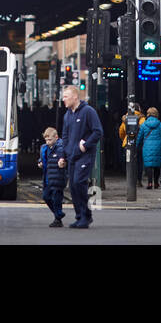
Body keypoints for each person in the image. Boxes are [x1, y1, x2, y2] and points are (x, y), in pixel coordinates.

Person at [56, 84, 103, 228]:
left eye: (66, 96)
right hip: (71, 156)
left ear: (75, 97)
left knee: (79, 183)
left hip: (85, 155)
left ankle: (85, 216)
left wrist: (85, 145)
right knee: (73, 187)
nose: (63, 99)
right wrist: (63, 156)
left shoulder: (88, 111)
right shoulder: (67, 115)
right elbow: (65, 137)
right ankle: (81, 216)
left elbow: (97, 132)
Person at [39, 127, 67, 226]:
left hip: (58, 178)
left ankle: (57, 219)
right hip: (48, 178)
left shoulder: (61, 147)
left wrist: (62, 161)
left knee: (56, 199)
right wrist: (40, 162)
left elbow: (64, 157)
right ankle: (58, 214)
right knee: (46, 197)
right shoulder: (44, 148)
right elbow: (41, 158)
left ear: (56, 137)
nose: (47, 142)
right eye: (46, 140)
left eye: (50, 140)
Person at [138, 107, 161, 189]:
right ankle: (156, 183)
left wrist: (136, 146)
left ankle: (150, 183)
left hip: (147, 147)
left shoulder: (144, 125)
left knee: (148, 165)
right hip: (158, 147)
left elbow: (139, 137)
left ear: (148, 114)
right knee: (157, 165)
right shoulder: (160, 125)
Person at [118, 102, 144, 186]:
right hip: (138, 143)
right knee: (139, 162)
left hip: (128, 142)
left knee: (129, 161)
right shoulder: (142, 118)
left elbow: (121, 131)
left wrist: (124, 139)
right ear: (139, 109)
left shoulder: (125, 118)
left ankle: (130, 179)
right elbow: (143, 131)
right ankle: (138, 180)